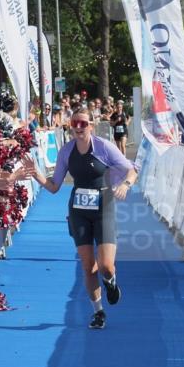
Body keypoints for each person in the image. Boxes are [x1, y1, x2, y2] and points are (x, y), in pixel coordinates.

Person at [28, 108, 138, 330]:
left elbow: (131, 170)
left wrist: (125, 185)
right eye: (75, 123)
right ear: (70, 126)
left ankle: (110, 281)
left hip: (104, 208)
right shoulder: (66, 151)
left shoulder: (104, 147)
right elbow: (54, 187)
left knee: (106, 266)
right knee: (88, 266)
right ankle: (98, 312)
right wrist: (36, 173)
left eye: (83, 124)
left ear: (91, 126)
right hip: (79, 211)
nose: (79, 128)